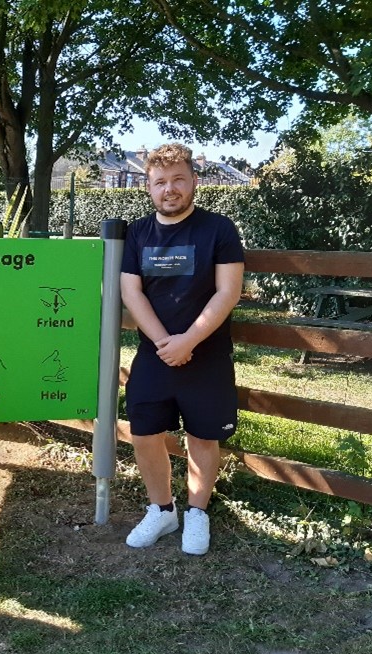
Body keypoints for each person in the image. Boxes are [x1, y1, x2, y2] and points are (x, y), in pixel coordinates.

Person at [120, 143, 244, 556]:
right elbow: (131, 292)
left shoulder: (219, 230)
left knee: (203, 437)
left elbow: (228, 292)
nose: (168, 189)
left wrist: (188, 341)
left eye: (177, 180)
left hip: (206, 357)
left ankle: (197, 512)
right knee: (144, 433)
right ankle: (162, 509)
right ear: (149, 188)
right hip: (154, 356)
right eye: (159, 182)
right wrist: (163, 344)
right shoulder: (137, 232)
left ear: (193, 182)